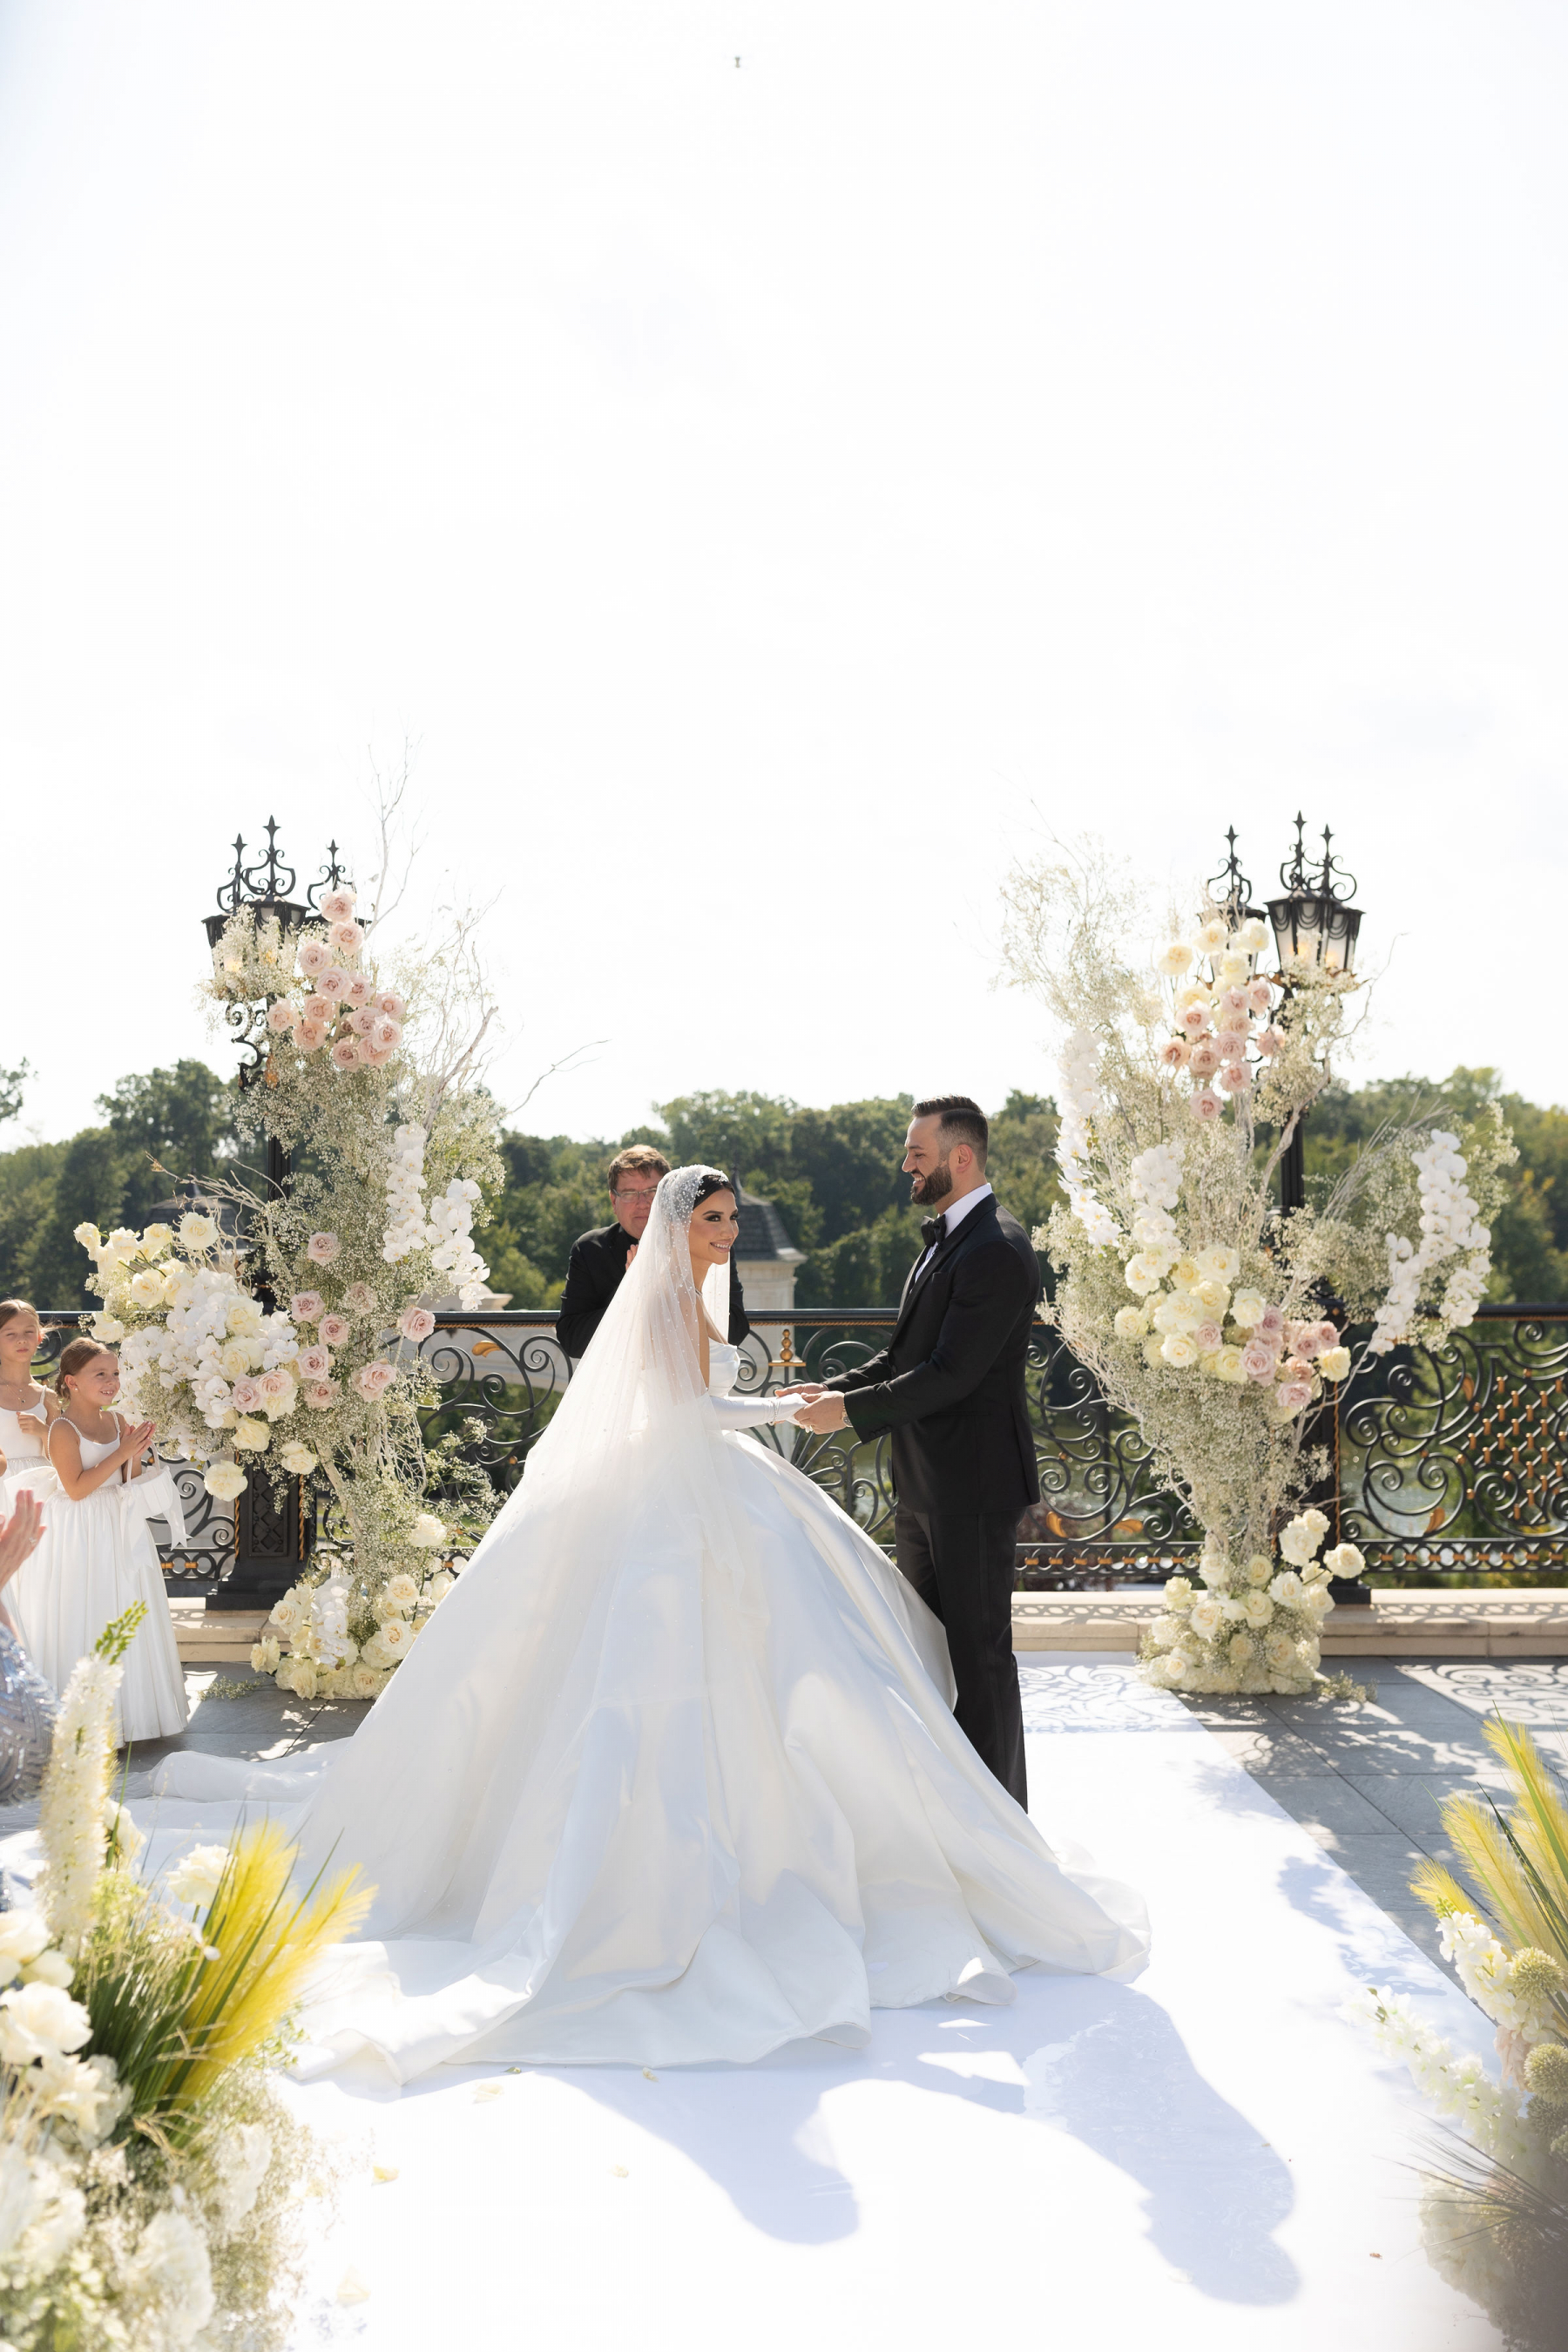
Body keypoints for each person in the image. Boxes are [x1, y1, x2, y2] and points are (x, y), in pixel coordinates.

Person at [152, 1166, 1145, 2081]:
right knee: (659, 1655)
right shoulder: (667, 1294)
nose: (728, 1233)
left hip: (720, 1481)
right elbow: (689, 1410)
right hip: (681, 1485)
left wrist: (787, 1403)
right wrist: (785, 1410)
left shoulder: (698, 1287)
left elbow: (704, 1397)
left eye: (733, 1220)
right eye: (713, 1220)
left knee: (808, 1652)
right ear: (680, 1225)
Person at [788, 1097, 1040, 1808]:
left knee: (980, 1663)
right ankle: (949, 1816)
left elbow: (951, 1374)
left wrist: (849, 1413)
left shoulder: (996, 1248)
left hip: (974, 1489)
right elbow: (907, 1357)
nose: (906, 1165)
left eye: (917, 1154)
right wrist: (832, 1389)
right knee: (928, 1658)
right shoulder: (946, 1239)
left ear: (961, 1157)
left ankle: (1002, 1829)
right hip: (925, 1486)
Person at [6, 1340, 188, 1745]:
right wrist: (122, 1451)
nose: (111, 1381)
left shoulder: (118, 1420)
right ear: (72, 1382)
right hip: (80, 1529)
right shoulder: (61, 1429)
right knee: (86, 1610)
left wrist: (136, 1453)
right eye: (100, 1374)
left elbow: (127, 1480)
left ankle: (133, 1716)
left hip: (117, 1522)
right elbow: (75, 1488)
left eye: (116, 1373)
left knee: (123, 1604)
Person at [556, 1145, 750, 1356]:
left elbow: (736, 1328)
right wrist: (633, 1293)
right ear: (613, 1201)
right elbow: (572, 1339)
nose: (643, 1203)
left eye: (652, 1192)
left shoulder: (710, 1244)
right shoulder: (590, 1249)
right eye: (630, 1193)